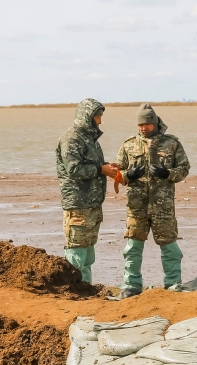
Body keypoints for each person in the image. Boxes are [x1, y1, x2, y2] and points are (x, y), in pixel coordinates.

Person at [116, 103, 191, 298]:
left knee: (170, 247)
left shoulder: (171, 144)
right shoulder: (128, 145)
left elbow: (184, 169)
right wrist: (128, 175)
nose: (143, 128)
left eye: (147, 124)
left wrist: (167, 173)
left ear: (155, 123)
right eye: (140, 125)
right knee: (132, 248)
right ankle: (132, 286)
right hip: (136, 207)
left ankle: (173, 284)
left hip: (163, 207)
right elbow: (116, 173)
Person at [56, 98, 120, 281]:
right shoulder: (72, 138)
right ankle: (74, 290)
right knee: (76, 251)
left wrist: (107, 167)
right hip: (77, 204)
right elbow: (74, 170)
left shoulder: (90, 140)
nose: (100, 121)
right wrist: (101, 169)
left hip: (91, 203)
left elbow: (90, 165)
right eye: (97, 116)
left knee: (88, 252)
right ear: (87, 117)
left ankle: (86, 289)